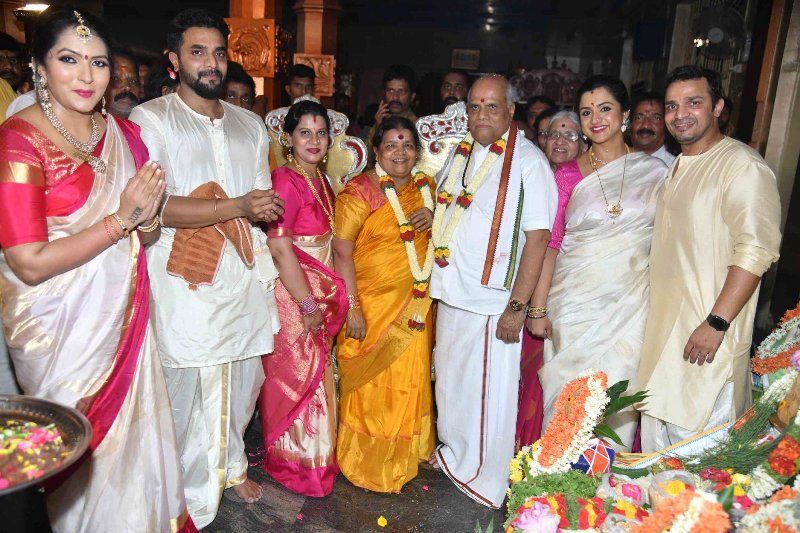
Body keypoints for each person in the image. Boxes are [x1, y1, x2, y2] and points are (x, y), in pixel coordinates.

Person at [0, 8, 191, 531]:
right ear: (39, 67)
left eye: (99, 63)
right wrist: (122, 218)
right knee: (80, 451)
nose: (86, 76)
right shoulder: (18, 141)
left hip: (123, 318)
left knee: (135, 449)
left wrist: (145, 219)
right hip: (57, 330)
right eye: (69, 59)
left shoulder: (126, 137)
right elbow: (28, 263)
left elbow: (145, 235)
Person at [130, 8, 284, 527]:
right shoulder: (151, 119)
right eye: (198, 52)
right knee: (187, 389)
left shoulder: (250, 125)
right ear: (174, 61)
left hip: (242, 276)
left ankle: (231, 466)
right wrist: (237, 206)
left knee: (244, 380)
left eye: (219, 52)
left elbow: (261, 203)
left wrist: (261, 244)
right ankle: (184, 496)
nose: (211, 63)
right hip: (183, 282)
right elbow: (153, 206)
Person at [637, 66, 781, 451]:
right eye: (671, 105)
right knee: (657, 466)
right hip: (663, 340)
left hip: (706, 340)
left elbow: (756, 250)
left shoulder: (743, 166)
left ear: (718, 107)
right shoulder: (678, 165)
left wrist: (716, 322)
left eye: (693, 102)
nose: (679, 113)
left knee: (699, 459)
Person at [430, 74, 557, 508]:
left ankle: (484, 477)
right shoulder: (463, 152)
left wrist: (517, 307)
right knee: (451, 386)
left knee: (486, 393)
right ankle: (455, 455)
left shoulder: (528, 161)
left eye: (492, 106)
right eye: (475, 106)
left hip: (493, 302)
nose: (481, 115)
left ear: (510, 111)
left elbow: (538, 239)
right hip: (452, 290)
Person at [531, 76, 666, 451]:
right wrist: (538, 308)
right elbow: (551, 245)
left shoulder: (656, 173)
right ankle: (555, 488)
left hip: (632, 304)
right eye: (586, 111)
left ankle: (606, 497)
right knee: (568, 398)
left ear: (624, 115)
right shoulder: (567, 174)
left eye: (605, 109)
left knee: (618, 396)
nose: (595, 119)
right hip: (573, 303)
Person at [333, 116, 436, 493]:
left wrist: (437, 216)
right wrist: (353, 306)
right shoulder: (360, 191)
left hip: (413, 307)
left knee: (408, 382)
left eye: (408, 144)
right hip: (370, 308)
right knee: (372, 386)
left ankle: (404, 456)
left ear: (417, 152)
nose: (400, 152)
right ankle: (367, 459)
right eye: (391, 144)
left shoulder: (428, 190)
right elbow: (340, 250)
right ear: (376, 151)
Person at [259, 99, 347, 497]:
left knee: (318, 375)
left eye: (321, 132)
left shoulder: (323, 180)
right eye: (305, 132)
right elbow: (280, 250)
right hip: (295, 294)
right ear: (288, 138)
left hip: (317, 292)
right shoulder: (284, 180)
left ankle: (317, 457)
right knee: (298, 378)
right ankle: (295, 465)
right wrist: (308, 304)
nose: (314, 140)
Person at [515, 109, 586, 449]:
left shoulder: (574, 179)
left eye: (570, 135)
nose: (560, 141)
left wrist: (537, 307)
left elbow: (551, 243)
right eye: (553, 134)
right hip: (536, 285)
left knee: (544, 373)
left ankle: (539, 448)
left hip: (560, 289)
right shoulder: (537, 172)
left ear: (584, 142)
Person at [365, 64, 418, 167]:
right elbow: (366, 160)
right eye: (390, 90)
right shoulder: (379, 122)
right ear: (384, 94)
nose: (395, 97)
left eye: (401, 91)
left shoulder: (418, 126)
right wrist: (377, 127)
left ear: (412, 96)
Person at [630, 91, 675, 166]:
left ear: (666, 125)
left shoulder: (673, 168)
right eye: (639, 117)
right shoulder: (617, 162)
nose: (646, 125)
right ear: (631, 124)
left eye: (655, 118)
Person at [104, 51, 141, 119]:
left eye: (133, 81)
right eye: (115, 79)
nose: (127, 87)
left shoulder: (150, 125)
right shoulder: (85, 126)